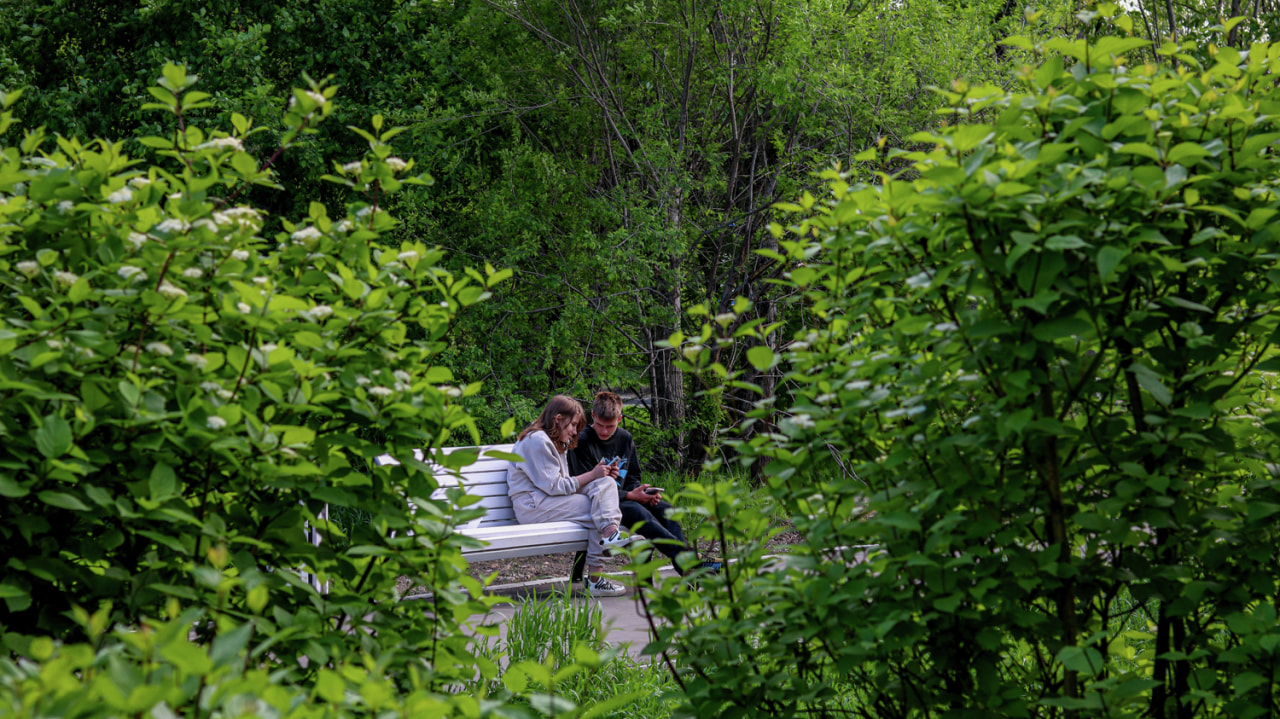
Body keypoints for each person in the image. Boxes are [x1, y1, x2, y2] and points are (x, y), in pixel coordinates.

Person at [506, 394, 635, 597]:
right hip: (533, 507)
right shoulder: (537, 441)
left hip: (547, 500)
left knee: (606, 483)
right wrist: (592, 474)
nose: (575, 431)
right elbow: (556, 486)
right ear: (558, 419)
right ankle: (596, 578)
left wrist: (599, 476)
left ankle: (610, 533)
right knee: (597, 509)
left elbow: (564, 483)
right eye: (573, 425)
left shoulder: (554, 439)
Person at [569, 391, 701, 575]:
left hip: (626, 499)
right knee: (638, 511)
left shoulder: (625, 438)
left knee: (666, 509)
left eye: (610, 426)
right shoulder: (581, 440)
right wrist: (630, 495)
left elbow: (632, 477)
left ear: (620, 419)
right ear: (592, 415)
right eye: (600, 425)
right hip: (600, 506)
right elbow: (583, 485)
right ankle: (687, 560)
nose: (604, 431)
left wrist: (642, 493)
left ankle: (685, 566)